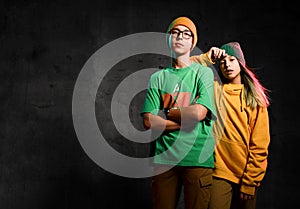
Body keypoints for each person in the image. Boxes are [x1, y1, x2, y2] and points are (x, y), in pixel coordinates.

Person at [141, 16, 217, 209]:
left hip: (197, 157)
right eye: (175, 33)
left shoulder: (203, 73)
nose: (179, 37)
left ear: (192, 41)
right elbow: (148, 121)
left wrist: (169, 112)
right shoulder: (157, 77)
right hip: (164, 159)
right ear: (168, 39)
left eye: (185, 33)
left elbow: (200, 113)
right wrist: (184, 117)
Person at [192, 42, 271, 209]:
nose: (227, 65)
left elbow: (260, 144)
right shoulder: (214, 90)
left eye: (232, 60)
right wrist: (207, 57)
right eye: (223, 61)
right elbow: (184, 68)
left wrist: (250, 181)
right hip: (219, 170)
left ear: (241, 63)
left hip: (247, 173)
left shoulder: (255, 99)